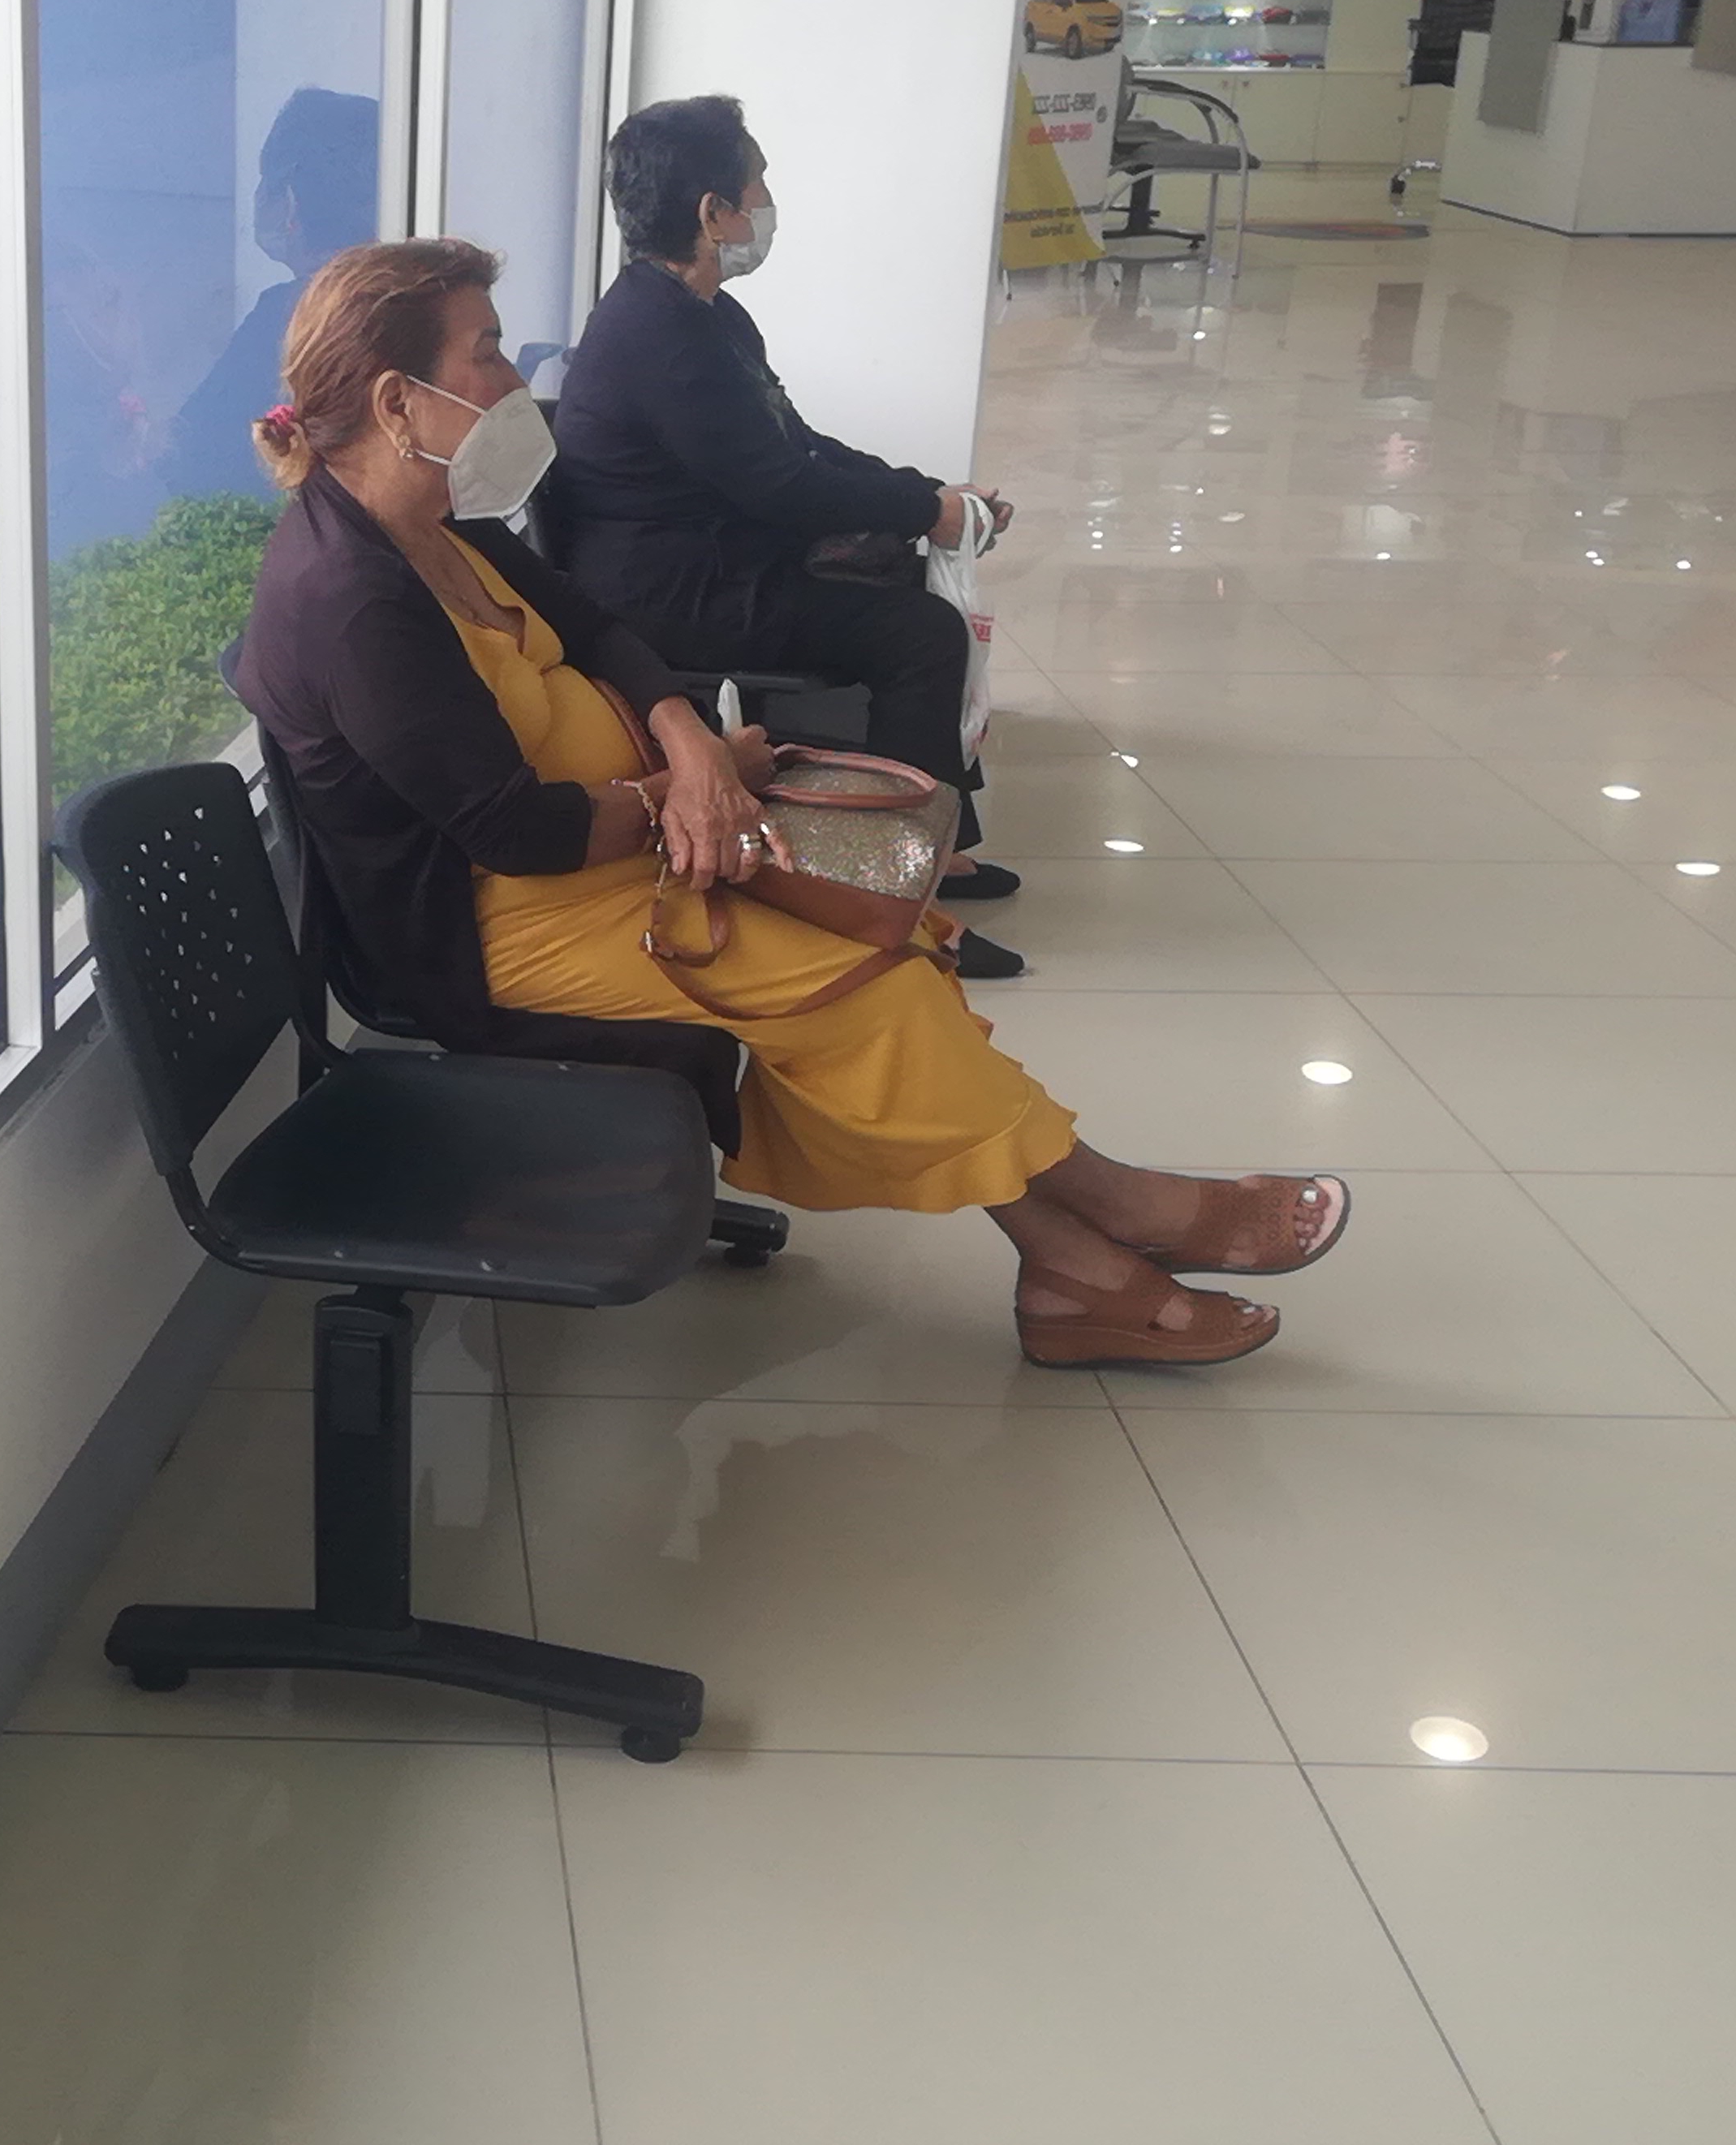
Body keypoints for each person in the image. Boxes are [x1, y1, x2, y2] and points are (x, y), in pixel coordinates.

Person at [236, 238, 1346, 1363]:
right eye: (485, 352)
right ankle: (1120, 1216)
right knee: (871, 994)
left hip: (622, 848)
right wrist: (685, 794)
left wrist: (692, 750)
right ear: (397, 403)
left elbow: (601, 628)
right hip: (496, 927)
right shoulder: (352, 600)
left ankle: (1075, 1270)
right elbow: (519, 833)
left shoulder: (437, 523)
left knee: (897, 945)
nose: (514, 379)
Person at [549, 94, 1030, 977]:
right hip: (673, 592)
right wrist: (923, 510)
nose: (767, 204)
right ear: (713, 213)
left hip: (718, 559)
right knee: (919, 634)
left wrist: (928, 496)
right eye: (758, 186)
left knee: (905, 587)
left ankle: (935, 851)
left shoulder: (705, 315)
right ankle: (896, 892)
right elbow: (777, 484)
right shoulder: (661, 333)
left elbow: (795, 443)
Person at [163, 87, 381, 500]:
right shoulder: (412, 304)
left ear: (290, 201)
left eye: (268, 180)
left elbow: (192, 455)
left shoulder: (290, 318)